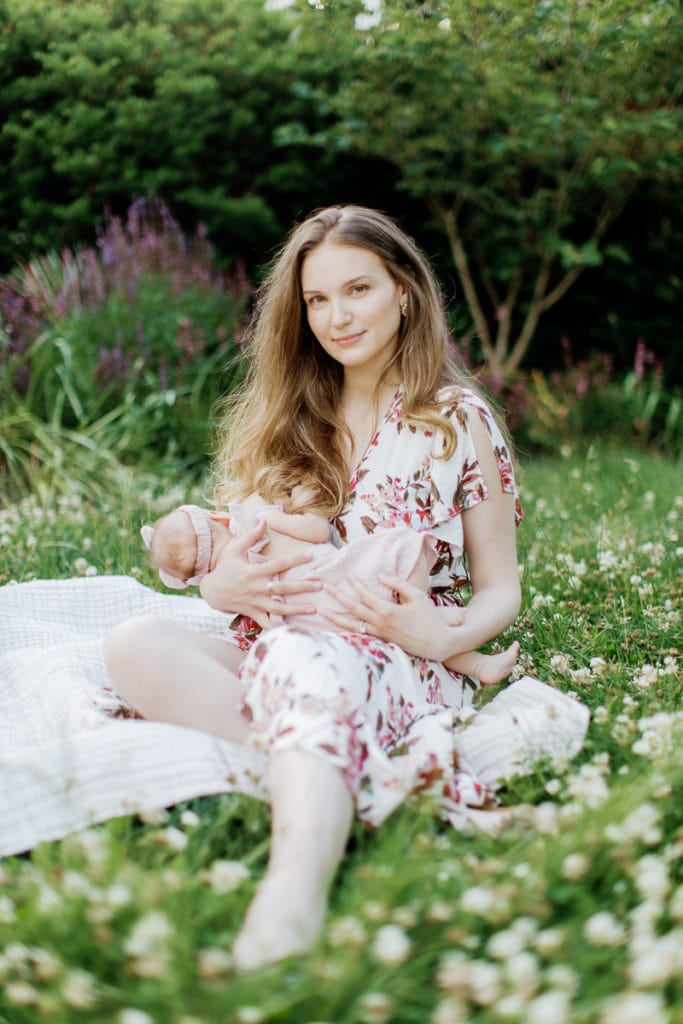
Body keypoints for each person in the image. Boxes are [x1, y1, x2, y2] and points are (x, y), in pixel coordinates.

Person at [103, 205, 588, 971]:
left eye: (356, 289)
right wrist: (220, 589)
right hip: (276, 639)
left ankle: (294, 886)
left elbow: (501, 590)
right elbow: (236, 543)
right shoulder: (291, 416)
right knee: (134, 644)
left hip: (399, 655)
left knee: (303, 663)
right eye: (317, 300)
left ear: (404, 291)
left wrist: (447, 636)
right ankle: (380, 787)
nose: (336, 317)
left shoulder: (458, 421)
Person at [141, 496, 520, 684]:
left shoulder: (226, 575)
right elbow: (319, 532)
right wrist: (273, 517)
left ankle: (478, 664)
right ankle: (438, 622)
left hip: (319, 623)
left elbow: (267, 621)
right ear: (218, 517)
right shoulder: (251, 521)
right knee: (402, 550)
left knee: (402, 639)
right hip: (341, 575)